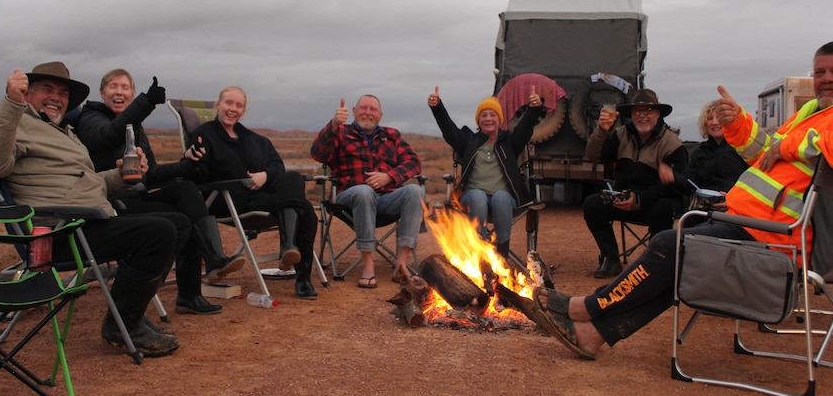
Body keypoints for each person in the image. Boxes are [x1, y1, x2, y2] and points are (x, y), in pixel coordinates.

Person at [534, 41, 833, 360]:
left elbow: (797, 147)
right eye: (819, 72)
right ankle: (592, 334)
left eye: (832, 72)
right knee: (676, 264)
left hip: (775, 237)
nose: (825, 78)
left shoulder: (673, 142)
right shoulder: (809, 113)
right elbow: (765, 153)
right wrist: (739, 124)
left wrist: (789, 146)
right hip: (746, 221)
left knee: (668, 245)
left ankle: (586, 307)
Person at [0, 62, 188, 357]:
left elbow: (90, 184)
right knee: (160, 232)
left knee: (178, 223)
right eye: (47, 89)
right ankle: (123, 325)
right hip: (55, 231)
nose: (56, 97)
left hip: (86, 217)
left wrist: (123, 176)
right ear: (27, 93)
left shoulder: (64, 133)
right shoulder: (11, 122)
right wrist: (11, 104)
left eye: (62, 93)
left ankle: (130, 314)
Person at [74, 68, 244, 315]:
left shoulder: (135, 125)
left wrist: (187, 165)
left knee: (185, 192)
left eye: (125, 87)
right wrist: (145, 103)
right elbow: (107, 137)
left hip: (136, 196)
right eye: (113, 86)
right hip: (110, 201)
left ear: (131, 94)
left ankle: (198, 282)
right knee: (183, 216)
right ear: (102, 93)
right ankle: (202, 274)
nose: (119, 92)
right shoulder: (91, 118)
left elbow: (151, 173)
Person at [189, 86, 319, 299]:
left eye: (238, 105)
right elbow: (199, 172)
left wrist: (265, 176)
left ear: (244, 110)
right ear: (218, 105)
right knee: (303, 208)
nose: (233, 109)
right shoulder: (204, 135)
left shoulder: (254, 139)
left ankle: (290, 249)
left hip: (259, 198)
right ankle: (301, 274)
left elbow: (277, 165)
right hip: (228, 199)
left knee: (294, 180)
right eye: (228, 103)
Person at [311, 95, 424, 289]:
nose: (368, 113)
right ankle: (367, 263)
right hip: (348, 197)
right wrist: (332, 125)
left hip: (387, 197)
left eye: (373, 110)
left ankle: (402, 263)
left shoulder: (392, 135)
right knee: (364, 191)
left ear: (380, 115)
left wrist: (389, 176)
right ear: (354, 111)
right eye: (364, 108)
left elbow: (414, 163)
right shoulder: (340, 133)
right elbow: (318, 153)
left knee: (415, 191)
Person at [582, 89, 688, 279]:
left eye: (648, 110)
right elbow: (595, 156)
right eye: (637, 111)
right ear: (631, 114)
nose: (642, 115)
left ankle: (656, 264)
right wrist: (602, 131)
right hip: (624, 197)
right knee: (592, 204)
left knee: (664, 207)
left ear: (658, 113)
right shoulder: (621, 134)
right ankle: (611, 258)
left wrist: (639, 199)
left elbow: (676, 185)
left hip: (657, 201)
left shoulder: (672, 143)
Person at [427, 85, 543, 257]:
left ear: (500, 120)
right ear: (478, 120)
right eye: (483, 115)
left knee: (501, 197)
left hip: (506, 198)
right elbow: (449, 130)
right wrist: (437, 108)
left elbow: (525, 129)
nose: (488, 118)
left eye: (492, 114)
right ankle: (479, 251)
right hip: (471, 197)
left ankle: (501, 255)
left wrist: (534, 110)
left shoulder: (509, 143)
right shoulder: (469, 142)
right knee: (477, 196)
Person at [659, 100, 748, 209]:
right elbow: (690, 182)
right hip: (706, 208)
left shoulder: (743, 148)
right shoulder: (700, 152)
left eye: (719, 117)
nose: (715, 122)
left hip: (735, 208)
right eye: (710, 118)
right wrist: (673, 177)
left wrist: (733, 199)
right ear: (705, 124)